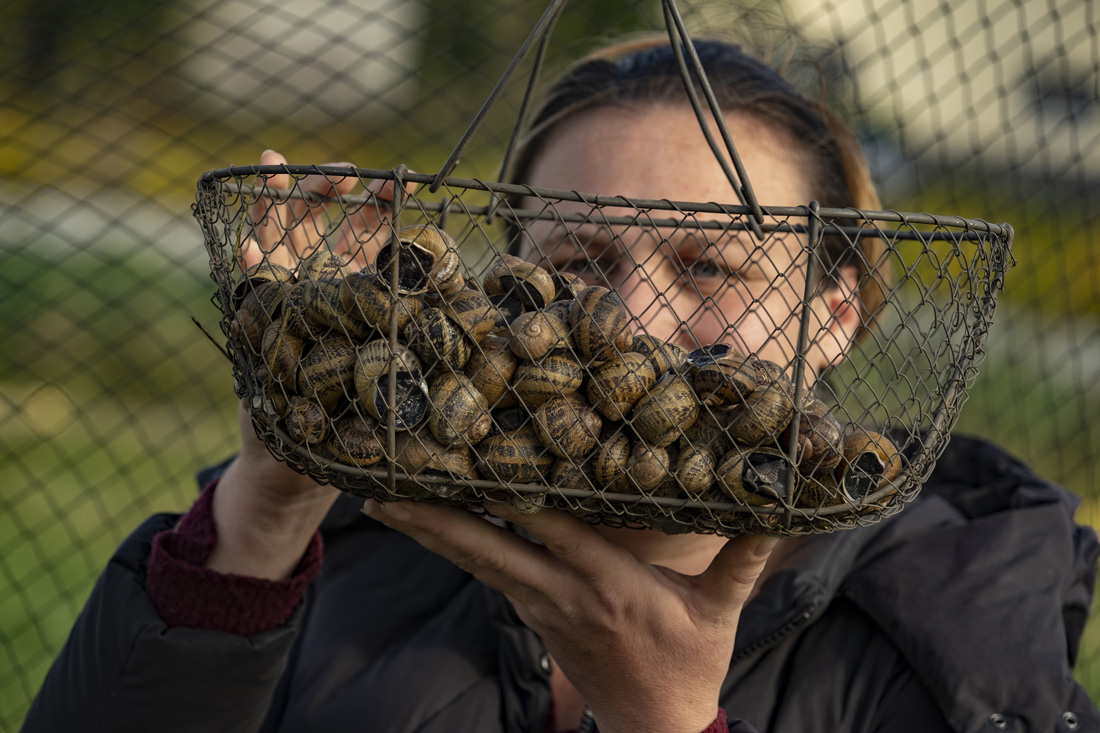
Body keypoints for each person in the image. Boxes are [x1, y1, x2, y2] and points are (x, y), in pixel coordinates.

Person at [22, 37, 1100, 733]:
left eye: (709, 265)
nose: (629, 322)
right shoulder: (351, 552)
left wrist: (666, 721)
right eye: (579, 263)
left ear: (833, 315)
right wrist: (254, 525)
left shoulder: (957, 642)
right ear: (503, 286)